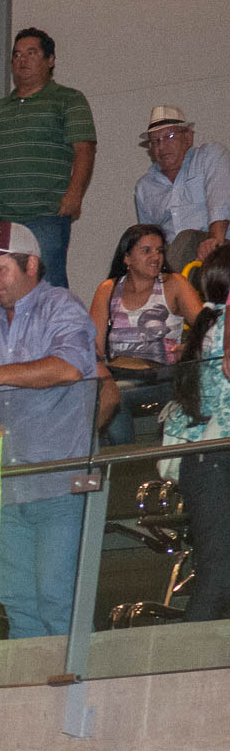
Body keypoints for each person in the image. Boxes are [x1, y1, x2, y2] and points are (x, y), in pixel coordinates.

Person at [0, 221, 97, 638]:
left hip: (61, 480)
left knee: (58, 599)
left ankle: (75, 678)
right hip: (8, 484)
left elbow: (70, 367)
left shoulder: (61, 306)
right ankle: (35, 681)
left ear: (31, 265)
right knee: (17, 601)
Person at [0, 28, 96, 288]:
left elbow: (84, 150)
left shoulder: (69, 100)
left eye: (31, 53)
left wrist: (74, 195)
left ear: (50, 60)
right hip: (0, 217)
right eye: (17, 55)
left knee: (46, 287)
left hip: (46, 215)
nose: (22, 60)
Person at [164, 245, 230, 620]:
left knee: (218, 575)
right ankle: (184, 653)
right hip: (215, 460)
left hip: (206, 459)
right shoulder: (221, 328)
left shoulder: (208, 323)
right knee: (218, 577)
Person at [90, 224, 202, 445]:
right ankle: (119, 459)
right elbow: (93, 347)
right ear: (127, 258)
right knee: (102, 393)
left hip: (163, 377)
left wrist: (189, 349)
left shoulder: (173, 284)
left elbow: (205, 327)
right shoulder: (108, 289)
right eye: (146, 250)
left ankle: (128, 459)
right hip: (118, 374)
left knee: (114, 396)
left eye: (159, 251)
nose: (155, 257)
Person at [135, 106, 230, 266]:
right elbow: (149, 238)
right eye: (155, 141)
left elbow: (220, 203)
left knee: (186, 239)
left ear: (188, 137)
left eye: (169, 136)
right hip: (173, 258)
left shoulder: (209, 156)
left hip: (218, 251)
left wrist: (214, 241)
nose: (161, 147)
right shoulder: (144, 187)